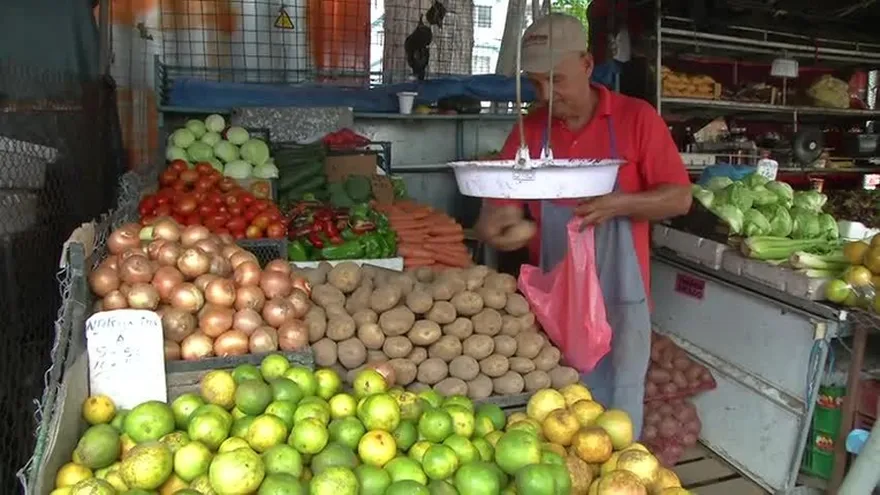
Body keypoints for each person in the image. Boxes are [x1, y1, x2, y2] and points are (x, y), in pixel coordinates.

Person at [474, 13, 692, 434]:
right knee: (555, 407)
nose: (547, 95)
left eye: (557, 80)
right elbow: (496, 208)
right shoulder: (530, 130)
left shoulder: (635, 119)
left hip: (620, 297)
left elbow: (680, 198)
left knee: (619, 399)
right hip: (551, 300)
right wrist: (497, 223)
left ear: (588, 65)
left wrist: (619, 204)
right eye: (536, 84)